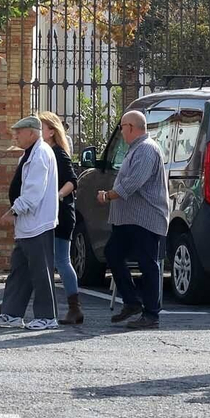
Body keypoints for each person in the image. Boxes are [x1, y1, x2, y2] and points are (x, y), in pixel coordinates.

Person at [97, 110, 167, 330]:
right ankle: (131, 302)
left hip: (145, 218)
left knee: (148, 264)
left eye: (122, 127)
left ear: (131, 127)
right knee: (113, 253)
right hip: (129, 219)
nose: (121, 131)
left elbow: (132, 183)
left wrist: (108, 195)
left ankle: (151, 314)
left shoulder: (146, 150)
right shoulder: (135, 149)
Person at [0, 115, 60, 331]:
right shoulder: (29, 154)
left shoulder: (40, 154)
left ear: (31, 132)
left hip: (37, 224)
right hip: (27, 226)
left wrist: (14, 211)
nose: (16, 136)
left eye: (19, 132)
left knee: (41, 272)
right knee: (19, 271)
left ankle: (47, 317)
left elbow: (33, 191)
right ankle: (11, 313)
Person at [39, 112, 84, 325]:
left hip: (61, 214)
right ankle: (13, 303)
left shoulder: (58, 153)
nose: (39, 131)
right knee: (37, 258)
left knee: (62, 261)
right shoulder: (44, 152)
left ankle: (75, 309)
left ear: (51, 132)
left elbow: (72, 182)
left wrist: (57, 196)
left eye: (41, 127)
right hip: (48, 214)